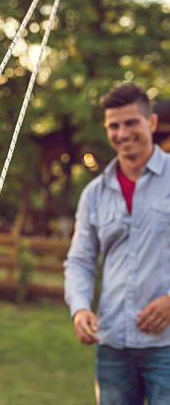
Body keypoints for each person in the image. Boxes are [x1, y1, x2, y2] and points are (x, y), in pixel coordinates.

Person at [64, 82, 170, 405]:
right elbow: (80, 260)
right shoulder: (94, 194)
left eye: (131, 123)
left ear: (151, 123)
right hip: (112, 346)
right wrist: (80, 308)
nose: (122, 133)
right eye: (114, 125)